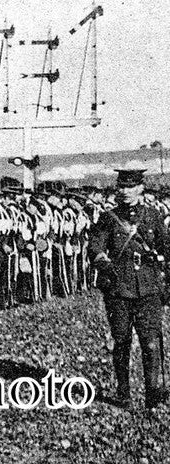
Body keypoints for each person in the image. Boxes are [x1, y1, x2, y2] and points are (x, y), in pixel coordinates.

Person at [88, 168, 170, 409]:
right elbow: (95, 248)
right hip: (118, 290)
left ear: (140, 188)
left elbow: (167, 248)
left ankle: (152, 394)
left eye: (130, 186)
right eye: (121, 187)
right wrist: (104, 263)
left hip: (148, 290)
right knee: (122, 341)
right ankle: (124, 393)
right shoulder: (108, 218)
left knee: (150, 342)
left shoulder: (153, 216)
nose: (124, 191)